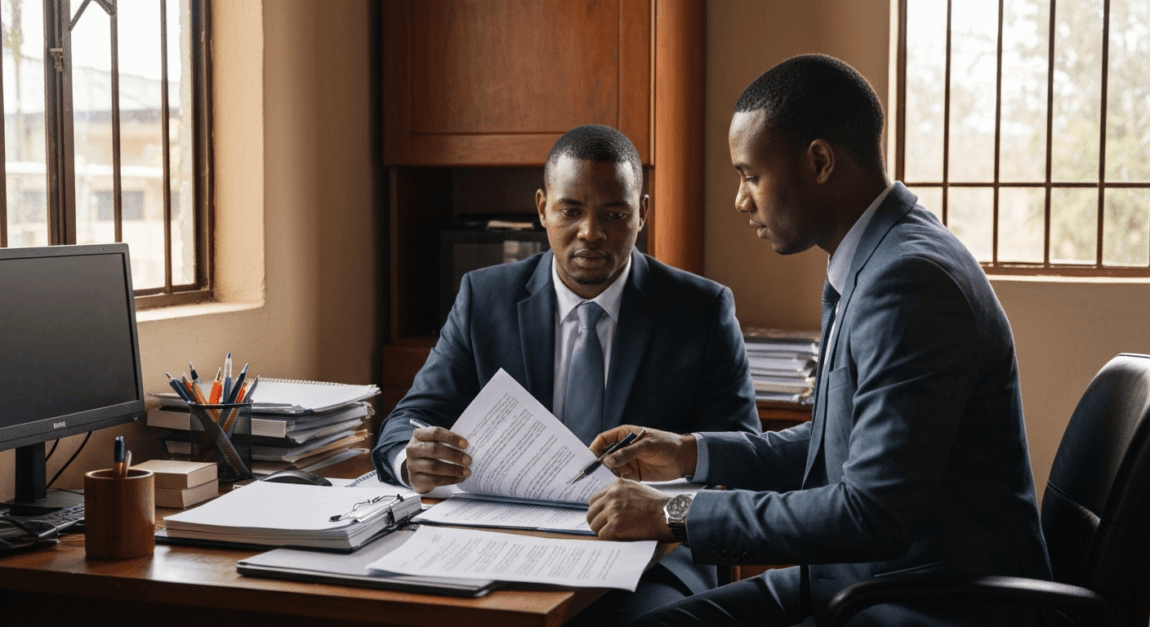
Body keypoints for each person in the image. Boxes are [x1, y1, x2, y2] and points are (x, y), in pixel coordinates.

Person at [584, 55, 1052, 626]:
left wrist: (675, 511)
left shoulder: (909, 280)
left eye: (751, 175)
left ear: (820, 162)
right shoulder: (876, 258)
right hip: (861, 583)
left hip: (926, 604)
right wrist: (690, 453)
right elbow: (839, 440)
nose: (740, 199)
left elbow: (869, 512)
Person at [371, 124, 762, 624]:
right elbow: (410, 418)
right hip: (500, 543)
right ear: (542, 209)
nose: (590, 232)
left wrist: (672, 509)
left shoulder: (700, 310)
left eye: (614, 214)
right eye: (570, 210)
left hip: (650, 558)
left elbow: (742, 454)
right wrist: (413, 458)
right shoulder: (483, 298)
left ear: (642, 212)